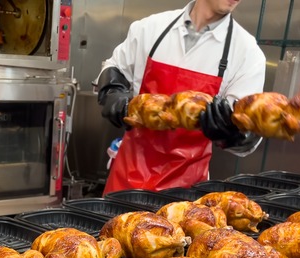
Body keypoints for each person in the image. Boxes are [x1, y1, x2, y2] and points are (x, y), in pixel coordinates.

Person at [97, 0, 266, 194]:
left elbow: (249, 134)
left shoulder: (247, 53)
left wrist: (230, 132)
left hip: (185, 193)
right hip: (128, 178)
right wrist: (115, 96)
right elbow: (114, 67)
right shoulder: (150, 29)